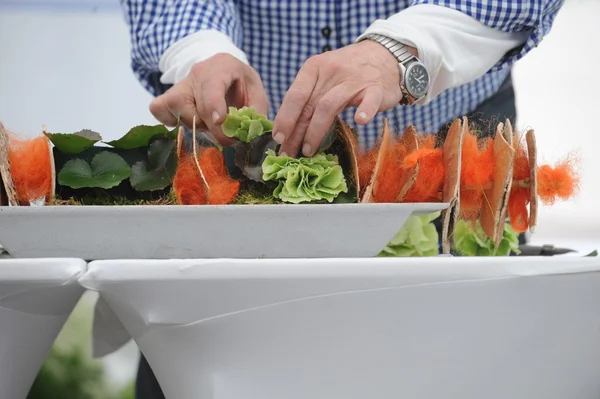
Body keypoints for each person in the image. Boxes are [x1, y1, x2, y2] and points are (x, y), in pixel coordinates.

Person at [120, 1, 564, 397]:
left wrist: (407, 49)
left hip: (451, 143)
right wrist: (201, 50)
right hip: (233, 153)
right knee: (207, 365)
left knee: (459, 364)